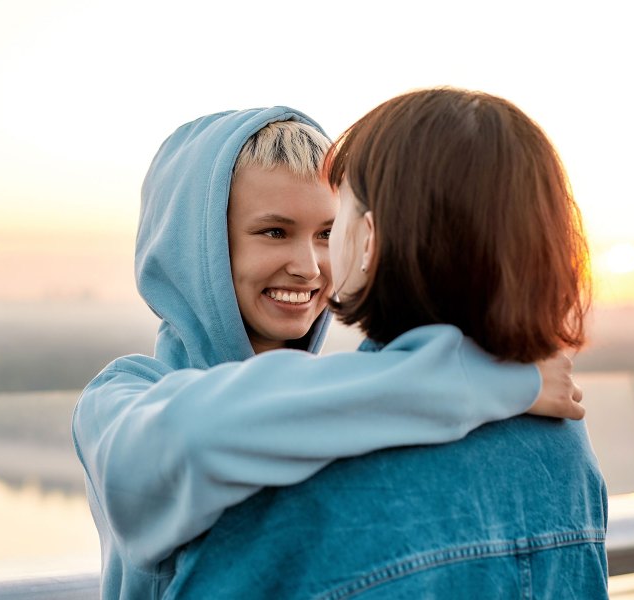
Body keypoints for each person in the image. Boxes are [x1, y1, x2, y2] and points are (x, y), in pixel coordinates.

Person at [72, 107, 583, 600]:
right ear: (196, 247)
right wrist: (493, 379)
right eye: (274, 232)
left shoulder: (354, 403)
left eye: (325, 233)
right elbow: (186, 442)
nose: (309, 267)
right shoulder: (120, 396)